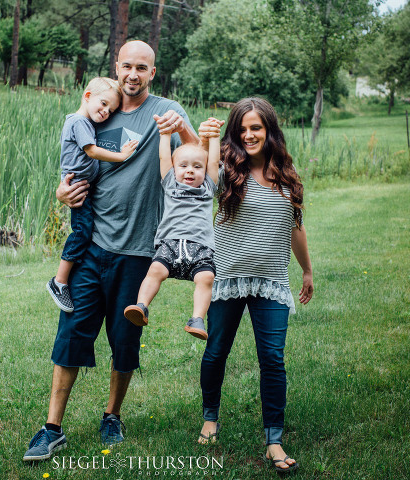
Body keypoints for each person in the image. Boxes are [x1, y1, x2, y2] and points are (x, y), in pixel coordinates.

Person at [23, 40, 199, 462]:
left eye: (142, 67)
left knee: (125, 340)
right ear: (115, 67)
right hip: (92, 249)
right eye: (126, 66)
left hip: (139, 253)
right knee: (70, 336)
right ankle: (51, 428)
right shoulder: (97, 110)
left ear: (152, 72)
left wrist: (185, 131)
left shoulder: (167, 113)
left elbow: (202, 163)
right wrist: (61, 191)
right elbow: (72, 169)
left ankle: (112, 416)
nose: (133, 74)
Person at [196, 98, 314, 475]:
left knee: (273, 360)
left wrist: (307, 272)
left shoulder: (286, 173)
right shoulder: (226, 169)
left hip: (272, 283)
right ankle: (210, 418)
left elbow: (295, 227)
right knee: (216, 352)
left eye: (256, 128)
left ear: (269, 131)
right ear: (234, 131)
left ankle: (273, 440)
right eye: (242, 128)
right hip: (227, 277)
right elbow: (192, 165)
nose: (249, 135)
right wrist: (199, 137)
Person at [46, 77, 139, 313]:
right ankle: (59, 281)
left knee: (84, 230)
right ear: (87, 96)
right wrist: (122, 155)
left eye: (111, 109)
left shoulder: (85, 122)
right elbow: (91, 150)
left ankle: (64, 279)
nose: (106, 112)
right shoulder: (79, 122)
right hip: (77, 188)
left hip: (82, 186)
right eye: (104, 104)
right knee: (81, 232)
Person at [123, 128, 220, 340]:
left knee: (207, 277)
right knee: (156, 270)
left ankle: (197, 319)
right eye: (183, 166)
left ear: (205, 171)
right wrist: (165, 134)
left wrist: (214, 138)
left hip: (200, 247)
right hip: (170, 244)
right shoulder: (170, 185)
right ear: (174, 169)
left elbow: (214, 163)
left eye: (197, 167)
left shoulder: (208, 189)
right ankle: (141, 306)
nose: (189, 171)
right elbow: (163, 156)